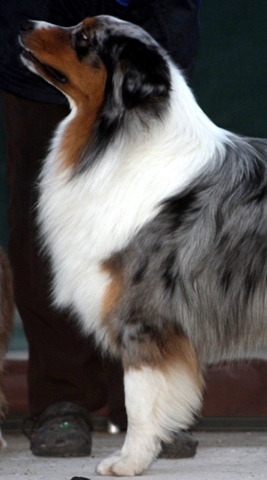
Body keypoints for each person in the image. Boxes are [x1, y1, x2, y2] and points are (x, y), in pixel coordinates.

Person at [0, 0, 201, 458]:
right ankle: (62, 399)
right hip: (42, 29)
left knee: (158, 230)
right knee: (41, 232)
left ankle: (155, 407)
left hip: (151, 35)